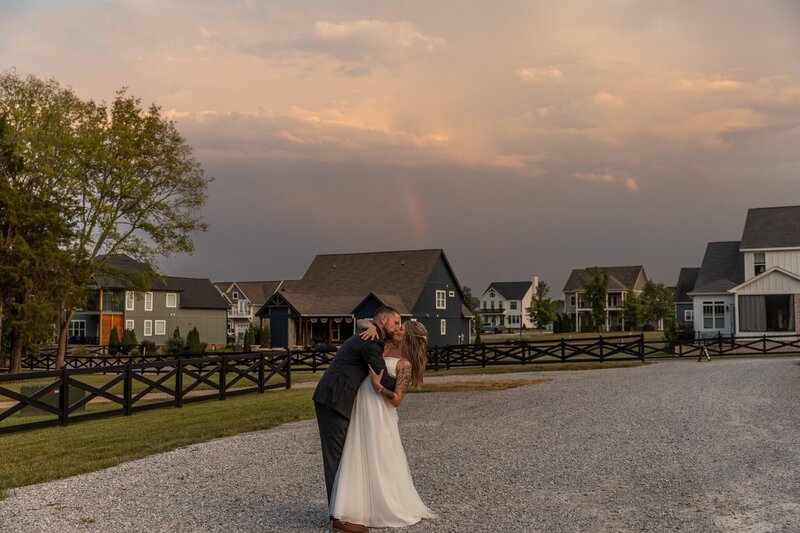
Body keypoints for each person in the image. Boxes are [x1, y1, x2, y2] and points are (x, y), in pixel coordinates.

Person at [329, 320, 436, 529]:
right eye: (397, 326)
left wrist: (379, 387)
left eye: (401, 329)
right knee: (356, 452)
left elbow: (397, 400)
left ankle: (384, 505)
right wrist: (372, 327)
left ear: (409, 337)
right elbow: (361, 321)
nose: (397, 329)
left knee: (380, 456)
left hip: (379, 411)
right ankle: (356, 506)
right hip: (360, 405)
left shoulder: (405, 364)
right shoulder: (382, 344)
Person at [313, 306, 402, 533]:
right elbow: (386, 380)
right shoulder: (370, 343)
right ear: (383, 320)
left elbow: (362, 322)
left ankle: (346, 509)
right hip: (333, 401)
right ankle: (339, 518)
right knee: (337, 458)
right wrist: (404, 373)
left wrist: (372, 325)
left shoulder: (372, 336)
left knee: (345, 456)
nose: (398, 328)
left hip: (336, 400)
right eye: (395, 323)